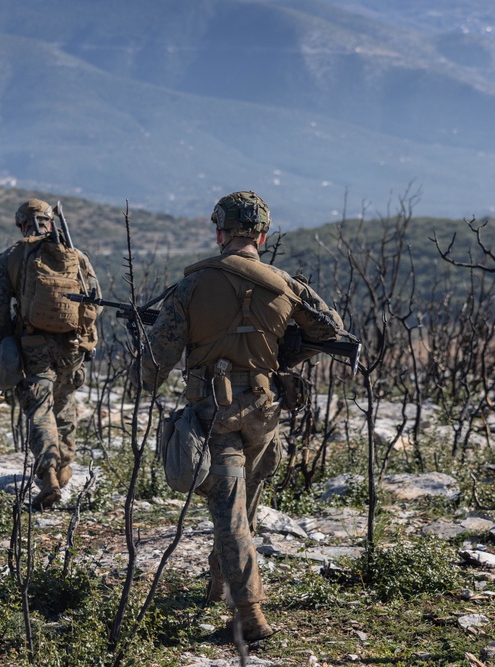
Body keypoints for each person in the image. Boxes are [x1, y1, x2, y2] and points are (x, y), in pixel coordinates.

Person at [134, 191, 344, 642]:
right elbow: (331, 330)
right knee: (240, 509)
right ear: (263, 237)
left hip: (216, 413)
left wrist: (151, 347)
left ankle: (249, 617)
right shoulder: (286, 284)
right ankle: (218, 581)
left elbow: (153, 366)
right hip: (264, 414)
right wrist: (287, 348)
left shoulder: (192, 285)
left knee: (229, 514)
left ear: (220, 233)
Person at [0, 198, 101, 510]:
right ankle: (64, 467)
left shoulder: (10, 257)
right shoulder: (75, 255)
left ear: (22, 224)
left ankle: (49, 473)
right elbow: (95, 301)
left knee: (40, 410)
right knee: (63, 406)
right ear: (50, 222)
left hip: (33, 345)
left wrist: (5, 346)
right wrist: (88, 342)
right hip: (73, 346)